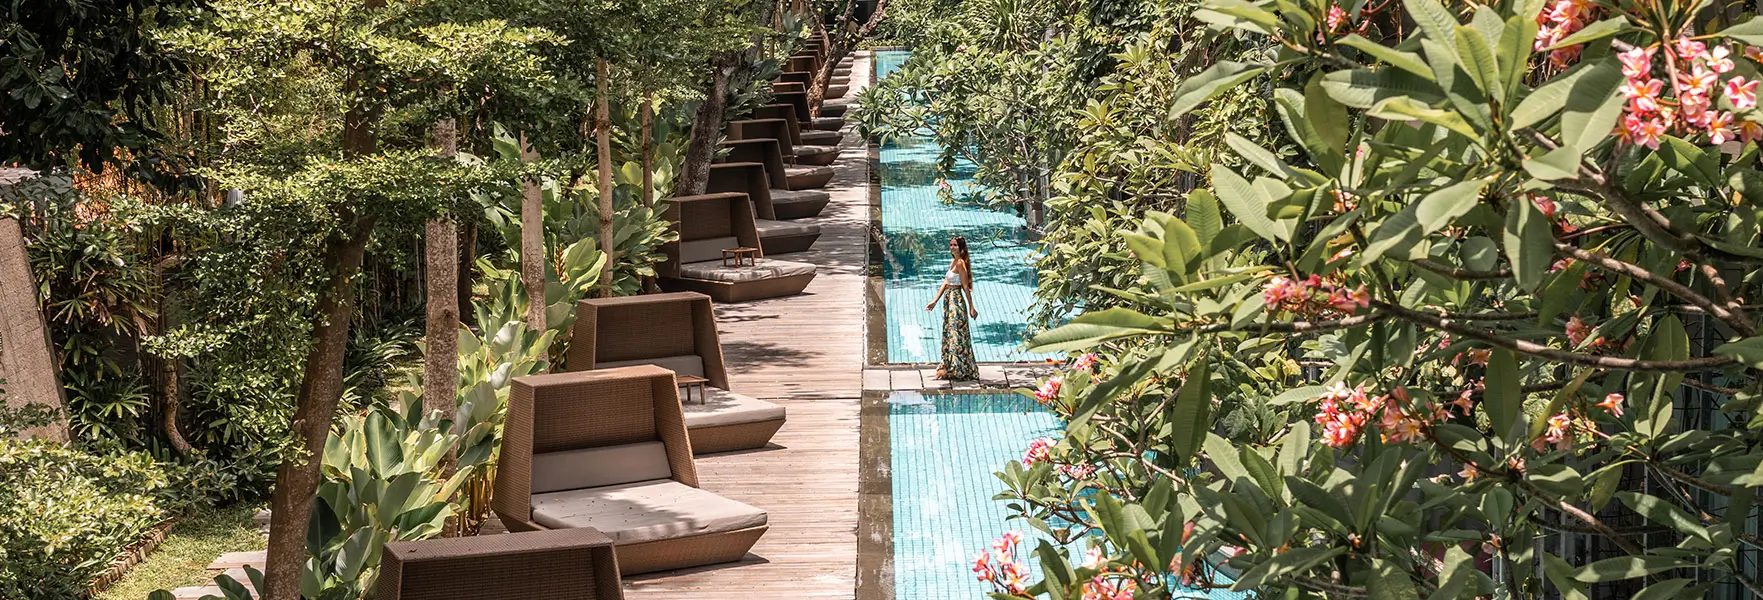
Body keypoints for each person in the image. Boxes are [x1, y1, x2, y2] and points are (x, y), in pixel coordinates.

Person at [925, 236, 978, 380]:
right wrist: (935, 301)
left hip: (956, 301)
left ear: (961, 248)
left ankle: (959, 369)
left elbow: (966, 287)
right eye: (951, 245)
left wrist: (972, 307)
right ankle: (949, 367)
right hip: (948, 300)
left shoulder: (960, 263)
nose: (952, 247)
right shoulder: (953, 261)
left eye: (955, 245)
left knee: (956, 335)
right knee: (949, 333)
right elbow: (946, 281)